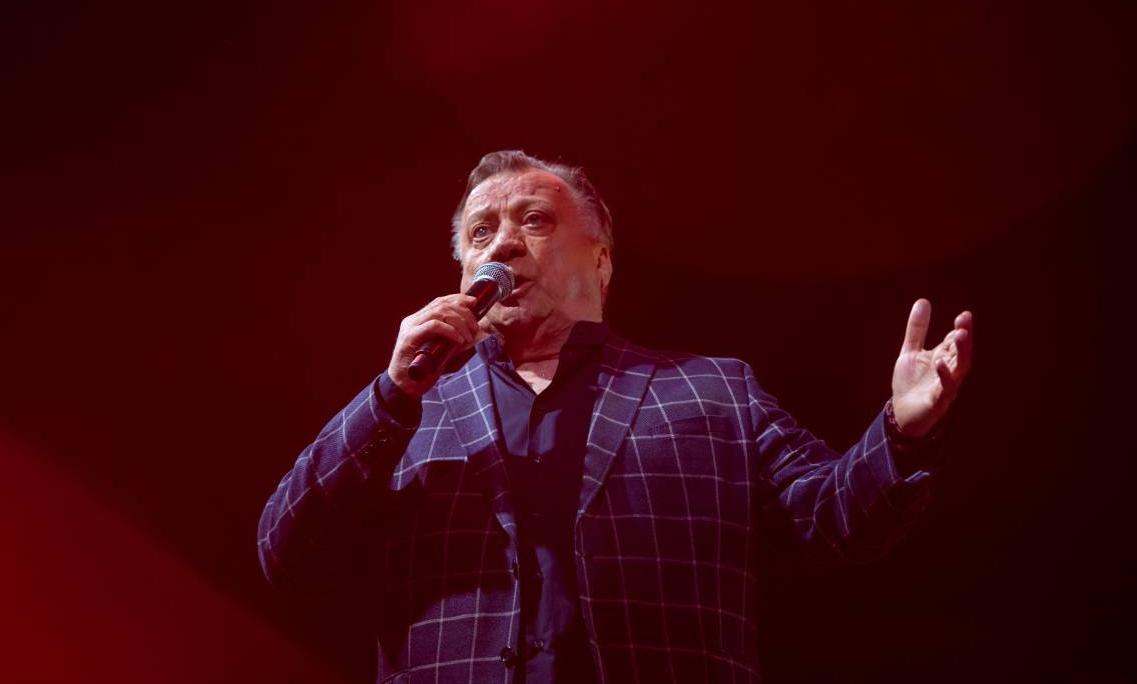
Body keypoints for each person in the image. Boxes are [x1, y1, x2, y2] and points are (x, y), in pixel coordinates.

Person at [258, 150, 974, 684]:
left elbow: (837, 518)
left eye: (534, 220)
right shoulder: (411, 412)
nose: (501, 244)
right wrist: (391, 394)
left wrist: (902, 431)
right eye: (479, 233)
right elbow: (286, 553)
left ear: (601, 261)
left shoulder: (712, 391)